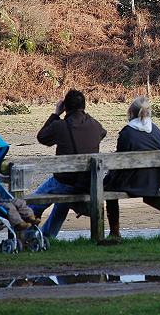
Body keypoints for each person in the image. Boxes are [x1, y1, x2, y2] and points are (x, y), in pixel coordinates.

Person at [29, 89, 107, 238]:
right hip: (87, 184)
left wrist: (55, 114)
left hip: (65, 182)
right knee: (61, 203)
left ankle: (27, 235)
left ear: (66, 107)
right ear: (84, 106)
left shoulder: (60, 126)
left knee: (33, 203)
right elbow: (103, 133)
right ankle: (46, 236)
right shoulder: (95, 125)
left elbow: (42, 137)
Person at [104, 96, 160, 240]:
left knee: (107, 190)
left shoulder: (127, 132)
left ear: (130, 112)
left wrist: (109, 177)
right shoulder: (156, 130)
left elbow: (119, 163)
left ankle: (115, 232)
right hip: (152, 182)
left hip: (130, 183)